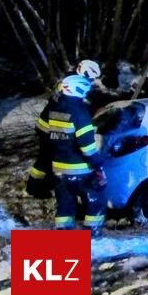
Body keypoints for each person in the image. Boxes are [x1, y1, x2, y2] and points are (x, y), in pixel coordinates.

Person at [48, 75, 106, 234]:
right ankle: (93, 238)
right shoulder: (79, 113)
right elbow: (87, 147)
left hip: (59, 169)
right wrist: (98, 163)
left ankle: (63, 241)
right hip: (79, 168)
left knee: (65, 206)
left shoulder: (56, 109)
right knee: (97, 199)